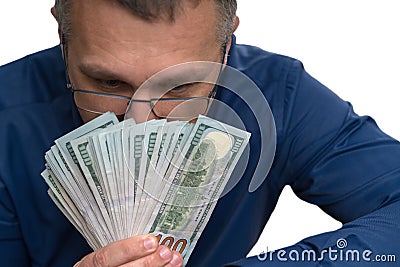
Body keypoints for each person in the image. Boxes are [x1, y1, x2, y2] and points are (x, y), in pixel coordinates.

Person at [0, 0, 399, 266]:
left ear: (226, 46)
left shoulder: (278, 95)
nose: (142, 123)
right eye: (107, 83)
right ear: (62, 39)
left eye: (180, 86)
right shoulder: (7, 122)